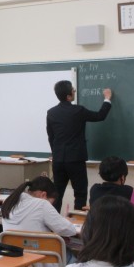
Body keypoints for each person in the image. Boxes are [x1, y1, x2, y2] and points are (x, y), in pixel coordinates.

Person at [47, 80, 112, 212]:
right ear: (68, 96)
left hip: (58, 160)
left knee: (56, 194)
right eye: (73, 90)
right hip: (75, 159)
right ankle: (77, 221)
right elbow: (100, 116)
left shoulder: (51, 112)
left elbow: (51, 136)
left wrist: (56, 153)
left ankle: (51, 223)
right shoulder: (78, 110)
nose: (75, 90)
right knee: (80, 193)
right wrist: (107, 99)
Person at [1, 176, 77, 267]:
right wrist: (65, 220)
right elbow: (69, 230)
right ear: (43, 195)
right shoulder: (42, 204)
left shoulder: (9, 203)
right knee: (73, 256)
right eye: (51, 203)